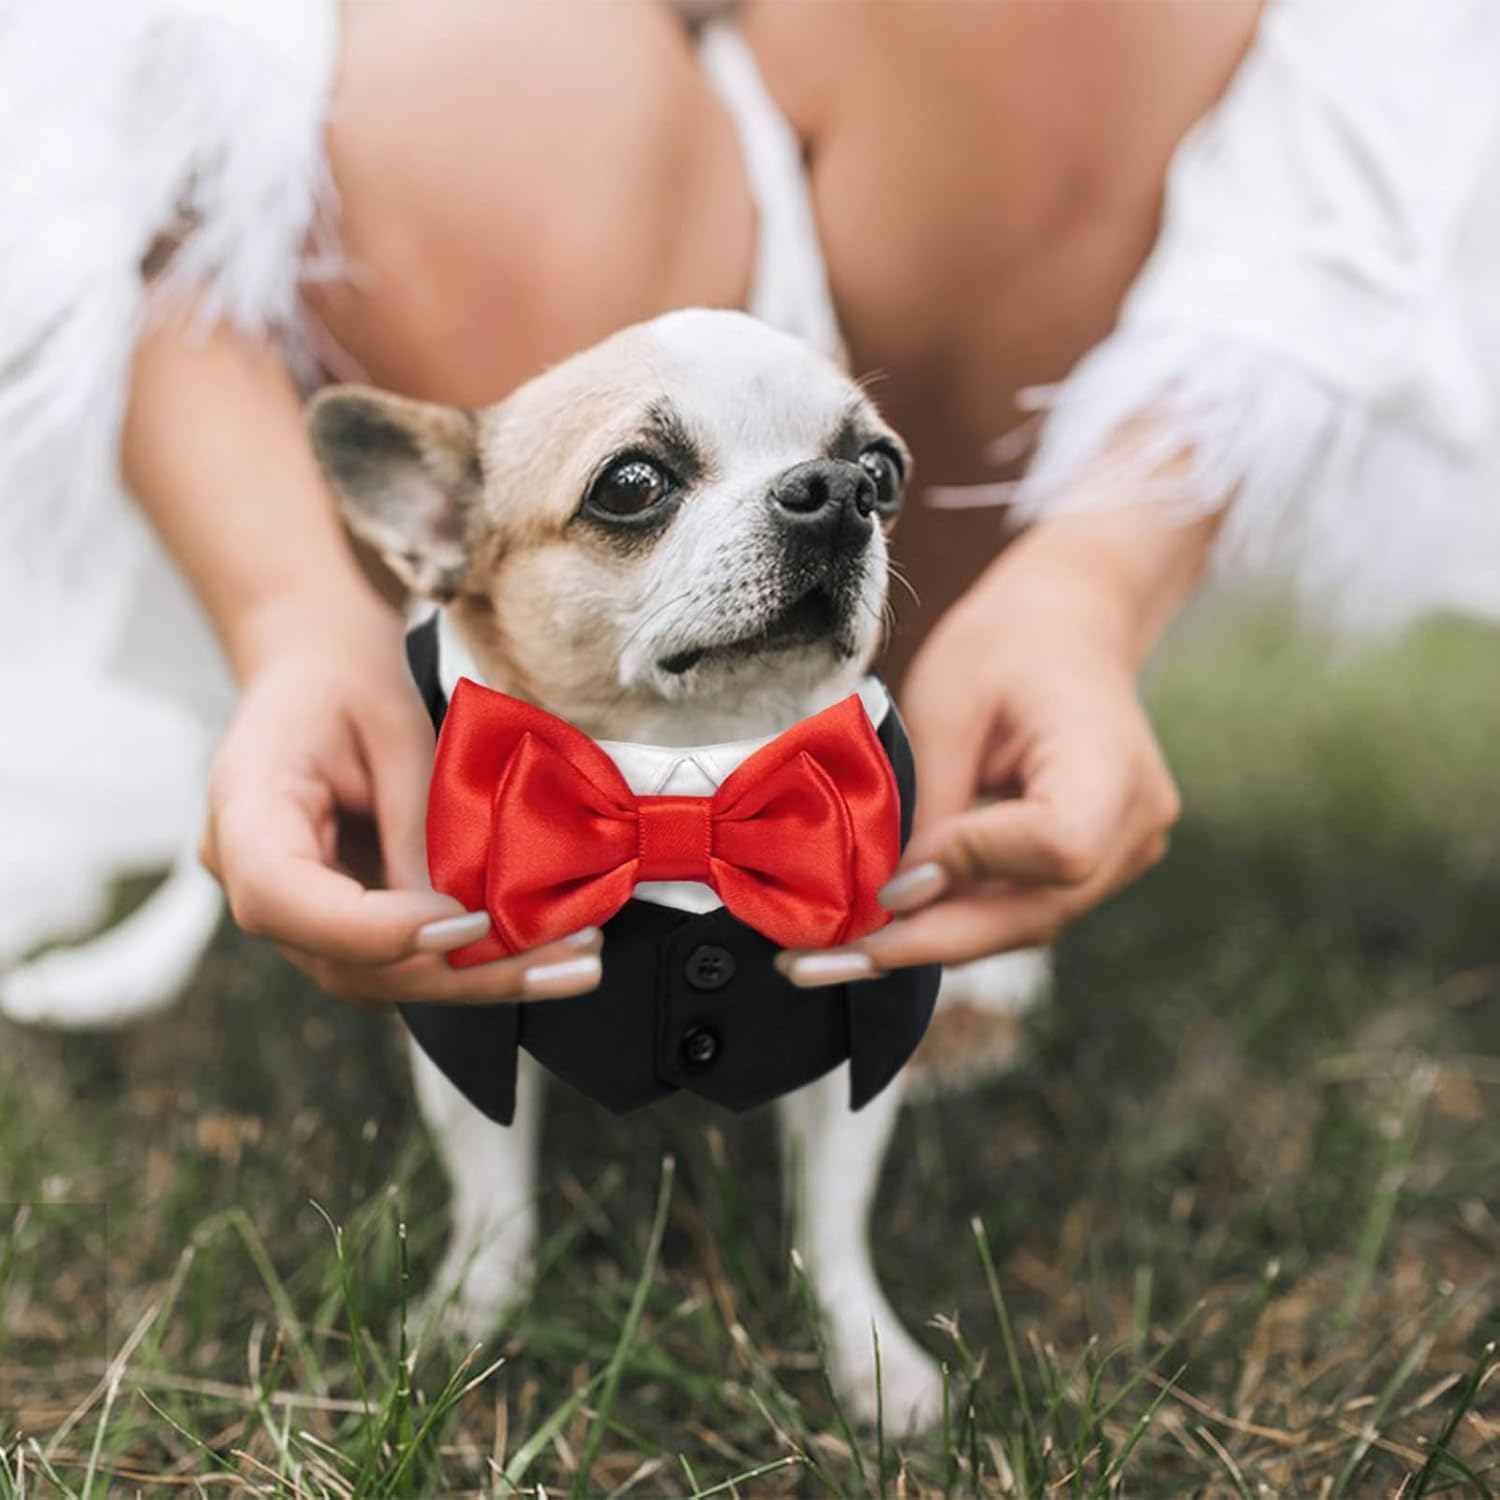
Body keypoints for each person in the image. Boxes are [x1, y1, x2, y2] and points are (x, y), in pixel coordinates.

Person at [5, 0, 1499, 1016]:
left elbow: (1390, 62)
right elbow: (103, 95)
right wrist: (291, 611)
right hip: (474, 190)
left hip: (989, 216)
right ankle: (509, 795)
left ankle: (904, 775)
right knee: (485, 70)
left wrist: (1094, 581)